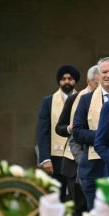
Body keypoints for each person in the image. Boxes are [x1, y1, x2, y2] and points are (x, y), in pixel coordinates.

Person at [72, 57, 109, 210]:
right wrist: (104, 136)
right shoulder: (86, 100)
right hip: (93, 170)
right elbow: (77, 132)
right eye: (104, 72)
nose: (108, 75)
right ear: (99, 75)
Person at [54, 65, 99, 216]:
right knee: (79, 211)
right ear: (89, 82)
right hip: (76, 163)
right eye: (97, 83)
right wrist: (72, 128)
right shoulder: (75, 99)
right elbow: (59, 127)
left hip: (101, 162)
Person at [37, 64, 80, 202]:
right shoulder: (48, 102)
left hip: (77, 155)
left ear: (75, 81)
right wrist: (45, 158)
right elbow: (43, 131)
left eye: (70, 78)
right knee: (56, 196)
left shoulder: (83, 99)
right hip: (56, 157)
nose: (67, 81)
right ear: (59, 81)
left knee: (77, 195)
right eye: (63, 79)